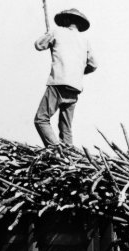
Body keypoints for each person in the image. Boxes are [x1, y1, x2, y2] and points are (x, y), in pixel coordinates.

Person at [33, 8, 97, 147]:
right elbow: (93, 65)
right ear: (79, 24)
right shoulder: (84, 40)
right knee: (66, 127)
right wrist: (78, 71)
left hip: (58, 82)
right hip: (75, 87)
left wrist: (46, 36)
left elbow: (39, 45)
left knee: (41, 119)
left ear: (67, 20)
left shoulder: (57, 32)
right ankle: (69, 154)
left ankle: (57, 151)